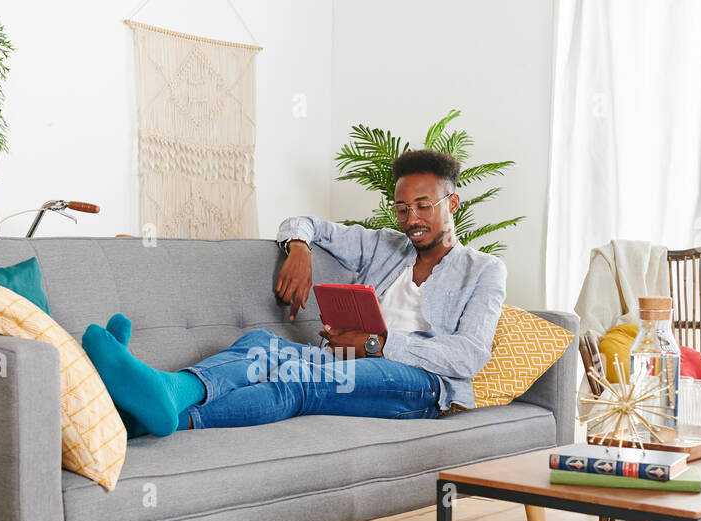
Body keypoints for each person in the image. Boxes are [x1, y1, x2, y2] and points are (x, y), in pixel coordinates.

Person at [81, 149, 506, 436]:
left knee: (299, 380)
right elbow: (302, 222)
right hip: (350, 356)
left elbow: (469, 356)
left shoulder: (484, 270)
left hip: (422, 385)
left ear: (452, 204)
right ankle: (146, 411)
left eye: (423, 205)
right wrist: (298, 249)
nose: (410, 218)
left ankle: (170, 401)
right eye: (401, 208)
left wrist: (376, 343)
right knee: (261, 344)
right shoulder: (384, 245)